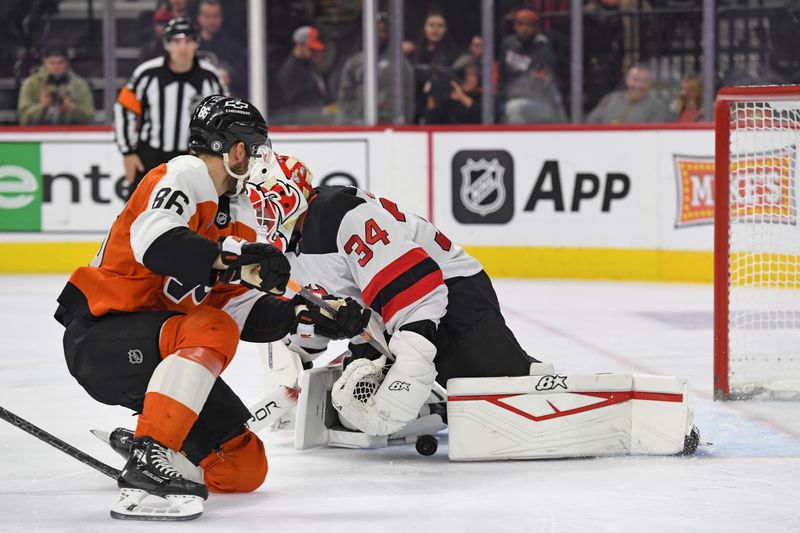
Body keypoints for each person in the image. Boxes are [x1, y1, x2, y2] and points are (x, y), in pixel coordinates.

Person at [54, 95, 368, 521]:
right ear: (236, 149)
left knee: (243, 467)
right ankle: (152, 456)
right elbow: (156, 243)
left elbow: (241, 309)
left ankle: (152, 438)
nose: (258, 160)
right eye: (255, 149)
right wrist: (231, 257)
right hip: (101, 337)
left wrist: (303, 313)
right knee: (210, 328)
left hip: (161, 352)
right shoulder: (184, 174)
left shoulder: (237, 213)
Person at [248, 154, 545, 438]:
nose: (260, 216)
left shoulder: (336, 213)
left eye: (265, 205)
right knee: (355, 407)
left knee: (499, 391)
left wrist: (410, 368)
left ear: (289, 196)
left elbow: (414, 287)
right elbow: (310, 315)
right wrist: (295, 367)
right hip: (384, 315)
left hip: (449, 288)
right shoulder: (284, 246)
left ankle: (537, 379)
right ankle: (425, 396)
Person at [114, 17, 226, 192]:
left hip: (192, 158)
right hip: (148, 157)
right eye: (176, 41)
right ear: (167, 44)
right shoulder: (147, 74)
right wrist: (128, 152)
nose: (182, 48)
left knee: (193, 211)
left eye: (188, 41)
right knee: (138, 213)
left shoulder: (210, 78)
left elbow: (223, 118)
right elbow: (123, 109)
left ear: (196, 43)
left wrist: (206, 150)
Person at [337, 12, 415, 125]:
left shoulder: (402, 65)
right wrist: (353, 121)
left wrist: (404, 125)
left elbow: (408, 101)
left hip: (391, 128)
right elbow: (345, 98)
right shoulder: (354, 63)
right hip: (360, 125)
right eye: (376, 30)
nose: (379, 34)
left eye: (384, 31)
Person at [498, 7, 566, 124]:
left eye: (529, 24)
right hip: (509, 99)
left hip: (540, 103)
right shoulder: (508, 44)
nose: (524, 29)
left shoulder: (544, 51)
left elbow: (543, 86)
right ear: (514, 25)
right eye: (520, 24)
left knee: (513, 108)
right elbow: (502, 75)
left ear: (536, 26)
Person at [17, 46, 95, 125]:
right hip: (39, 134)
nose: (56, 67)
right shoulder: (30, 84)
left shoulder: (80, 86)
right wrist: (42, 107)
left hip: (69, 134)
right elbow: (23, 120)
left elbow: (90, 119)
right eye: (52, 63)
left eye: (61, 62)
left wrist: (72, 109)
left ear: (67, 63)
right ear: (44, 62)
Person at [410, 11, 460, 124]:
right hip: (417, 108)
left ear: (446, 29)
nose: (435, 30)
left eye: (440, 26)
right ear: (424, 27)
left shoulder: (453, 54)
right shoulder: (414, 53)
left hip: (444, 111)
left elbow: (452, 79)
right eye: (431, 25)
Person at [586, 63, 673, 124]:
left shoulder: (657, 107)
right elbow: (591, 122)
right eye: (635, 80)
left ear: (649, 85)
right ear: (627, 81)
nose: (638, 85)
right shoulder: (610, 99)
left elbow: (654, 134)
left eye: (644, 82)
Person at [196, 0, 245, 97]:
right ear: (199, 18)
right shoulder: (191, 45)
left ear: (221, 18)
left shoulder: (232, 46)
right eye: (207, 16)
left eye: (215, 16)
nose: (212, 21)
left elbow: (244, 76)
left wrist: (230, 78)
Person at [423, 60, 481, 124]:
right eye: (466, 74)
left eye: (473, 75)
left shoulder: (482, 97)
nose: (468, 78)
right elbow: (432, 124)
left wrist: (461, 97)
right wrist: (431, 98)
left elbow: (481, 115)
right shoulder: (449, 95)